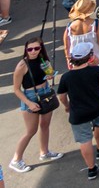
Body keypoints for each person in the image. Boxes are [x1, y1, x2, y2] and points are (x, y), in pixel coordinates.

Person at [56, 47, 99, 181]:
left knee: (84, 139)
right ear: (90, 57)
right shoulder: (95, 70)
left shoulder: (66, 77)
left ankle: (91, 169)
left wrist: (67, 107)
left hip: (78, 112)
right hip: (96, 107)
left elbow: (62, 96)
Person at [10, 40, 61, 173]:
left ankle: (44, 152)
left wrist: (49, 74)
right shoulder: (22, 65)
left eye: (36, 48)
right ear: (25, 50)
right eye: (29, 49)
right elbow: (16, 89)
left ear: (41, 49)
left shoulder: (43, 60)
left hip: (45, 93)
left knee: (45, 125)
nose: (33, 51)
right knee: (30, 131)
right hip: (31, 96)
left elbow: (48, 76)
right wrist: (29, 103)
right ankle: (16, 160)